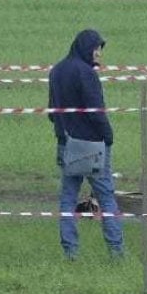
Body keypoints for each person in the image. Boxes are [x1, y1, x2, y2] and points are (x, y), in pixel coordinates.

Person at [49, 29, 123, 260]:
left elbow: (52, 112)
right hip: (93, 147)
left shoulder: (56, 71)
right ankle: (116, 251)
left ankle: (70, 252)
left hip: (66, 143)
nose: (99, 53)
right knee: (107, 197)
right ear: (86, 48)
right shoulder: (87, 74)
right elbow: (96, 112)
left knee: (68, 198)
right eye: (96, 48)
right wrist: (108, 136)